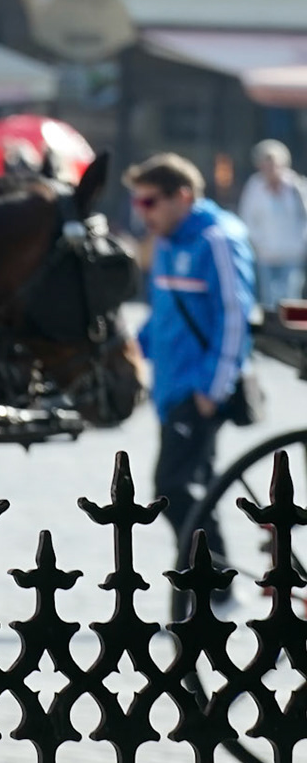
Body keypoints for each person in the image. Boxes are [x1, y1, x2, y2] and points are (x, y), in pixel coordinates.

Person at [129, 152, 255, 579]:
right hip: (170, 388)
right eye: (137, 203)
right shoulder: (165, 241)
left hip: (198, 389)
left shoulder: (218, 239)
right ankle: (209, 584)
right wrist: (134, 347)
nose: (141, 212)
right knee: (194, 489)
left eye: (149, 202)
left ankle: (212, 581)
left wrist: (212, 389)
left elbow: (234, 317)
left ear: (181, 197)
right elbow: (165, 312)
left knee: (171, 488)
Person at [237, 139, 307, 310]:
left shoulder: (296, 186)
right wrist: (258, 244)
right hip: (265, 255)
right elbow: (247, 218)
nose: (270, 169)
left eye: (273, 164)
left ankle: (292, 338)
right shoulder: (254, 186)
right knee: (268, 302)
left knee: (291, 299)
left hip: (291, 254)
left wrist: (301, 244)